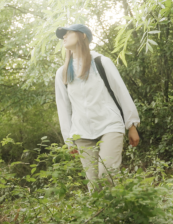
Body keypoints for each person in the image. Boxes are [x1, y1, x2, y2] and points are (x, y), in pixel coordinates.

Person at [54, 24, 140, 191]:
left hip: (110, 125)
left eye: (68, 33)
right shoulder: (63, 72)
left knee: (107, 174)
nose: (63, 37)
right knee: (93, 185)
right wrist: (69, 138)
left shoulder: (101, 62)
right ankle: (104, 216)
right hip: (82, 131)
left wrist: (132, 125)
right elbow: (63, 107)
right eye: (62, 35)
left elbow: (121, 92)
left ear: (83, 36)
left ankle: (119, 213)